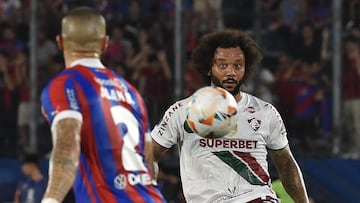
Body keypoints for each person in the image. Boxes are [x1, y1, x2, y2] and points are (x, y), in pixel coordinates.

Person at [151, 29, 309, 203]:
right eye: (223, 65)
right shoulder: (182, 111)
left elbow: (286, 163)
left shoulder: (265, 112)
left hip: (256, 198)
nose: (231, 72)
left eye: (237, 65)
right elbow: (150, 156)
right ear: (209, 68)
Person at [40, 7, 166, 203]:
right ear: (105, 43)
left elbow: (67, 146)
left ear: (60, 42)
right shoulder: (131, 92)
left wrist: (51, 200)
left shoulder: (65, 84)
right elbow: (149, 164)